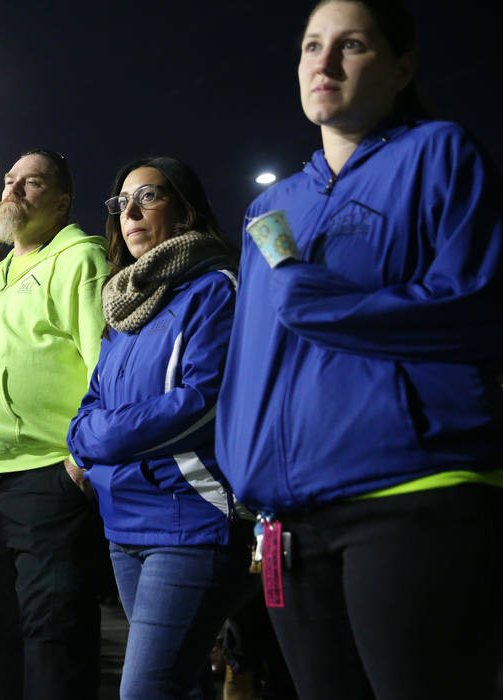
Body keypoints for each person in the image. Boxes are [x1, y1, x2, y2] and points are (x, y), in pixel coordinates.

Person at [215, 1, 503, 698]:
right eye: (313, 45)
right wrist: (242, 466)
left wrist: (323, 303)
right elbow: (250, 363)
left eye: (353, 45)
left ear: (402, 66)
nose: (326, 61)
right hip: (287, 520)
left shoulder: (439, 153)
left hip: (408, 496)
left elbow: (479, 308)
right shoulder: (270, 209)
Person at [67, 157, 249, 699]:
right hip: (124, 524)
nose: (131, 211)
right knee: (183, 684)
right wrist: (85, 434)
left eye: (148, 196)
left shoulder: (217, 288)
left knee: (146, 690)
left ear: (186, 207)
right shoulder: (129, 307)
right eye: (121, 202)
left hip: (191, 519)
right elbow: (92, 399)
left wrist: (95, 440)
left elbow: (202, 401)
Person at [0, 149, 111, 700]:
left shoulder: (81, 259)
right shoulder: (0, 273)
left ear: (61, 200)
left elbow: (106, 367)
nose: (12, 190)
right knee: (3, 635)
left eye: (31, 183)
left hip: (44, 480)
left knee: (52, 636)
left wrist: (83, 459)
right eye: (9, 180)